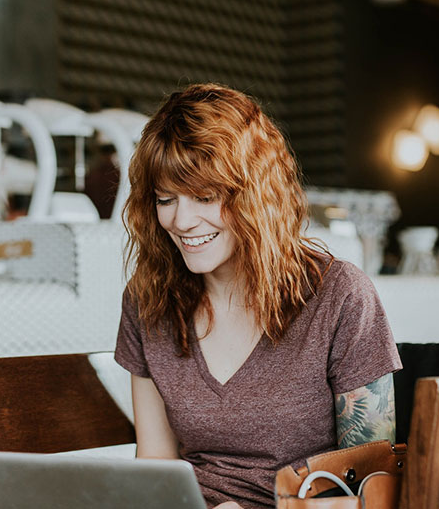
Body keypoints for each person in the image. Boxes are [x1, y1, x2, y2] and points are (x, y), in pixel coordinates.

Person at [114, 83, 401, 509]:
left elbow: (377, 491)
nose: (181, 220)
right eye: (165, 199)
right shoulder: (148, 301)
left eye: (206, 197)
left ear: (255, 195)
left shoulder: (340, 296)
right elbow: (155, 467)